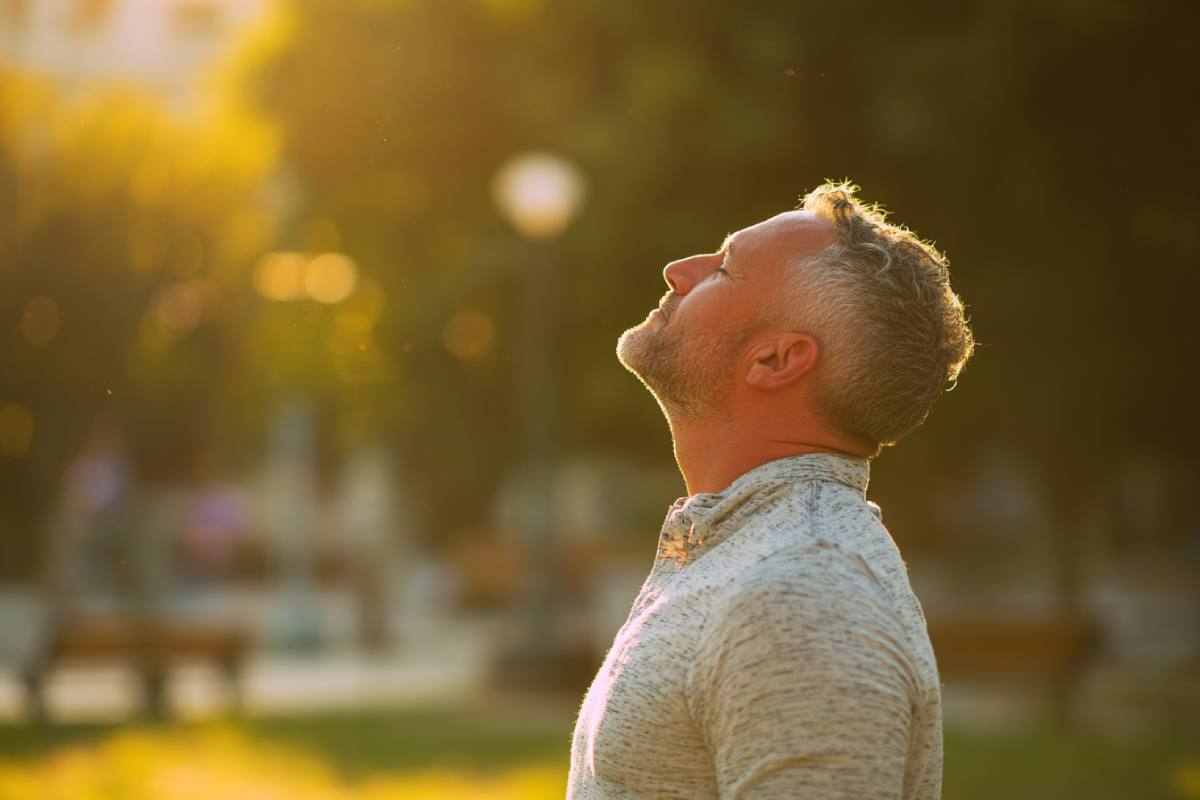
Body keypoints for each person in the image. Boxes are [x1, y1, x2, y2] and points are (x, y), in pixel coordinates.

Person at [566, 182, 974, 799]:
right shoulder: (744, 552)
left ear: (777, 360)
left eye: (726, 269)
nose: (679, 270)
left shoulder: (802, 595)